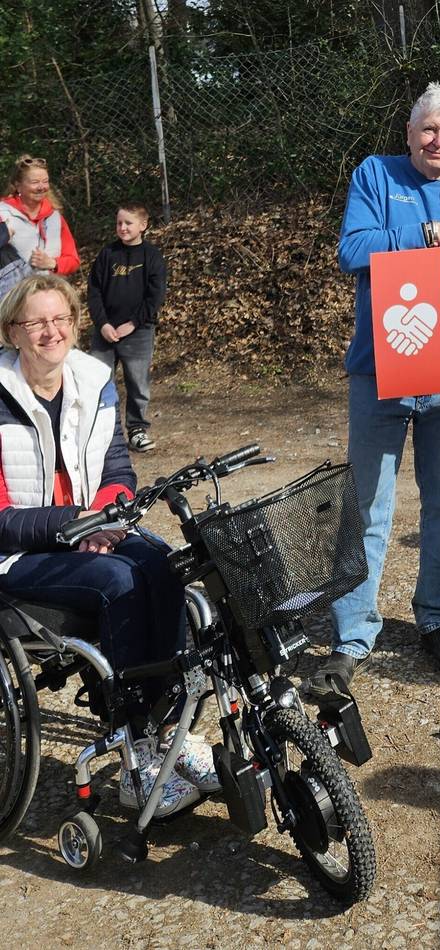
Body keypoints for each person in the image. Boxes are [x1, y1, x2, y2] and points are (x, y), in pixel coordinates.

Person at [0, 274, 217, 816]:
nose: (51, 332)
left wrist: (109, 519)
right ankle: (133, 750)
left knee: (167, 565)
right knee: (119, 581)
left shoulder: (95, 379)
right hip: (20, 552)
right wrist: (75, 523)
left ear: (75, 323)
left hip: (91, 529)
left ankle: (169, 730)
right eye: (36, 322)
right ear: (12, 333)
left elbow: (118, 467)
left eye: (61, 319)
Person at [304, 82, 440, 691]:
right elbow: (353, 251)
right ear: (410, 134)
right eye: (429, 130)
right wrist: (433, 235)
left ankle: (438, 619)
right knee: (369, 506)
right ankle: (353, 635)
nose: (439, 140)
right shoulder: (374, 174)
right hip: (380, 369)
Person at [87, 201, 167, 452]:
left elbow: (155, 297)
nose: (122, 228)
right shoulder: (107, 254)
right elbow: (94, 291)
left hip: (138, 331)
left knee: (137, 382)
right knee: (98, 380)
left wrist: (133, 323)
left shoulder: (152, 256)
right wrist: (102, 324)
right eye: (119, 223)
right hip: (105, 331)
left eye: (128, 223)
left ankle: (136, 430)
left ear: (143, 225)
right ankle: (105, 432)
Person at [0, 155, 80, 285]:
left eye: (45, 181)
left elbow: (73, 261)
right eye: (35, 182)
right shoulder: (3, 213)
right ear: (18, 186)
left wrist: (52, 263)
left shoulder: (55, 217)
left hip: (49, 293)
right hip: (11, 298)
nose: (41, 187)